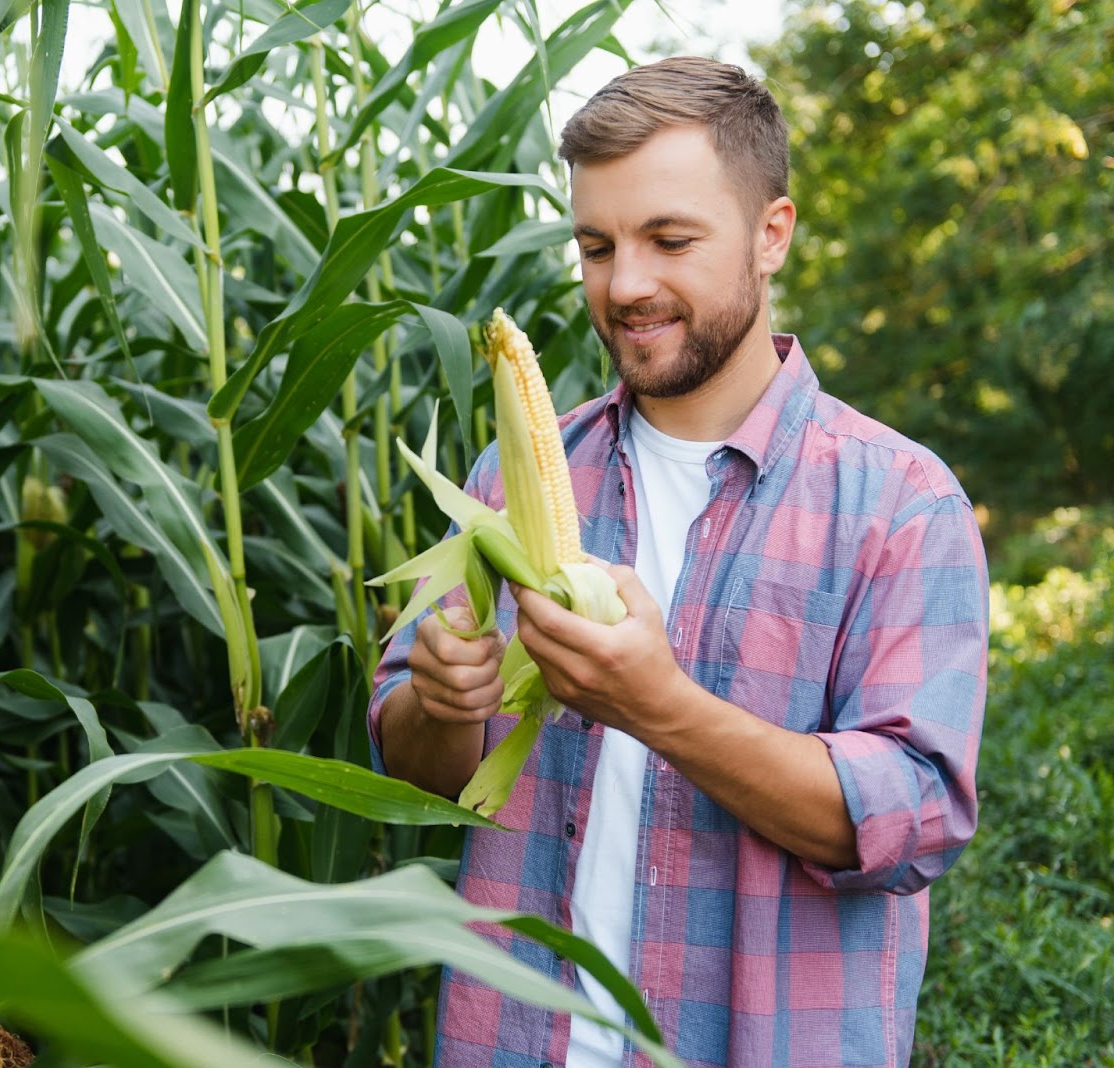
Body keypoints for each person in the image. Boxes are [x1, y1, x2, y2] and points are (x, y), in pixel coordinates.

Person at [368, 56, 988, 1068]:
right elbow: (422, 769)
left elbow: (913, 819)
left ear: (770, 233)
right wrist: (440, 703)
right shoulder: (518, 472)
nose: (626, 285)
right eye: (596, 245)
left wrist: (658, 704)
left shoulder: (899, 504)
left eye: (669, 240)